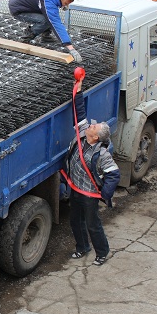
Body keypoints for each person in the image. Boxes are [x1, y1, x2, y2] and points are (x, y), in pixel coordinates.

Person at [62, 74, 120, 266]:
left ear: (95, 137)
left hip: (89, 195)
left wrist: (105, 193)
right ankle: (82, 247)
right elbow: (79, 111)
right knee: (75, 221)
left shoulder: (101, 155)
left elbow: (114, 174)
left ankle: (102, 252)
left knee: (93, 225)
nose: (90, 125)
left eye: (93, 127)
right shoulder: (82, 132)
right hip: (76, 190)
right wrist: (78, 90)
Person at [8, 0, 82, 62]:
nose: (66, 6)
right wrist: (70, 48)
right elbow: (56, 23)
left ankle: (45, 36)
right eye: (65, 3)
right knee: (46, 20)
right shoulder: (48, 2)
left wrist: (63, 4)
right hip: (18, 9)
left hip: (24, 2)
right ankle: (27, 36)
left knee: (48, 15)